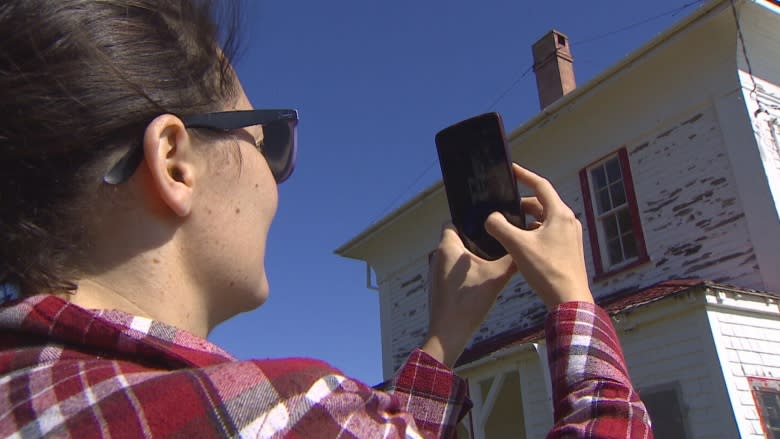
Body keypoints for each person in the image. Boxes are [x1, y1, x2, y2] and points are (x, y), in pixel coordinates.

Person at [0, 1, 652, 437]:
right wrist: (574, 298)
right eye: (271, 143)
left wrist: (443, 338)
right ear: (175, 162)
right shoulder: (281, 408)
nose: (278, 185)